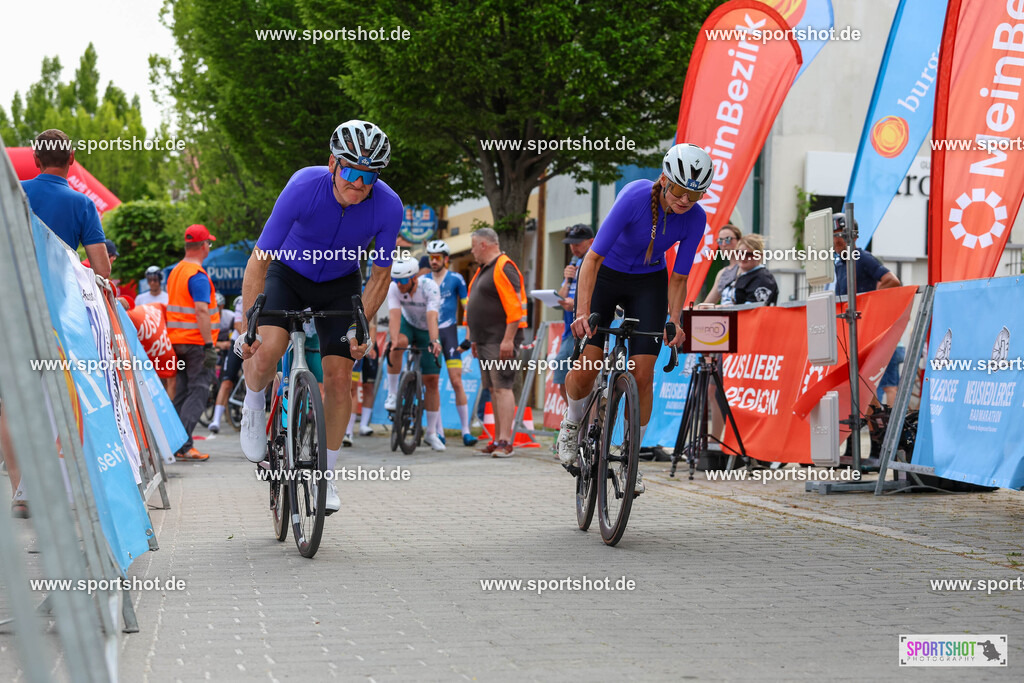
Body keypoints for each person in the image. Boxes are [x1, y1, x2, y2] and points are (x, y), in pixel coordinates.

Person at [235, 120, 401, 516]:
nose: (358, 184)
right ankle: (254, 404)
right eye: (351, 171)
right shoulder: (302, 187)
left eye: (369, 176)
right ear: (332, 164)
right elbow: (259, 260)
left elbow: (380, 276)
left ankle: (326, 473)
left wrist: (364, 325)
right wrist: (249, 323)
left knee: (340, 378)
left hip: (341, 282)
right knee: (268, 347)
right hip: (287, 273)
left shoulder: (389, 205)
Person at [558, 143, 708, 494]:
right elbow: (591, 260)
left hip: (649, 282)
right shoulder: (635, 196)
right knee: (590, 359)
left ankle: (630, 457)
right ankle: (572, 422)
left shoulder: (696, 218)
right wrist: (582, 314)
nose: (686, 200)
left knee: (643, 373)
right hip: (607, 275)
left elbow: (680, 278)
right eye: (680, 191)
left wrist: (675, 320)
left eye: (696, 194)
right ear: (664, 181)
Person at [465, 228, 528, 458]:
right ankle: (497, 438)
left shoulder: (504, 266)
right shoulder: (485, 270)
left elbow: (515, 308)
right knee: (493, 388)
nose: (472, 251)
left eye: (473, 246)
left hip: (500, 339)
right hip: (485, 339)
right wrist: (474, 338)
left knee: (502, 387)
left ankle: (505, 441)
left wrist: (508, 339)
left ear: (484, 245)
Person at [20, 129, 111, 279]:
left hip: (16, 289)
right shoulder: (83, 204)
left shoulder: (15, 192)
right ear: (71, 157)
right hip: (60, 295)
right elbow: (102, 270)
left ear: (36, 159)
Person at [167, 224, 220, 461]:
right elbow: (201, 311)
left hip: (176, 343)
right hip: (196, 344)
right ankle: (184, 445)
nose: (209, 246)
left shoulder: (177, 271)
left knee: (182, 392)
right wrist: (209, 345)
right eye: (209, 242)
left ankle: (172, 441)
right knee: (198, 391)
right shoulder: (197, 276)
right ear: (202, 246)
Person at [384, 257, 446, 451]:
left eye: (403, 281)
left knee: (432, 381)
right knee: (397, 344)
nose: (399, 285)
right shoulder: (394, 288)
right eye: (396, 280)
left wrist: (434, 341)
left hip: (428, 328)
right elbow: (394, 316)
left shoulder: (429, 288)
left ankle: (431, 433)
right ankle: (393, 394)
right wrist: (394, 340)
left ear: (414, 279)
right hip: (408, 324)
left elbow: (432, 317)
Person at [425, 239, 477, 446]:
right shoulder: (424, 280)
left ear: (446, 259)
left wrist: (469, 337)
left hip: (449, 334)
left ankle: (465, 431)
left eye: (437, 258)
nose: (434, 261)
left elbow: (468, 309)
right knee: (433, 383)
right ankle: (438, 432)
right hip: (432, 334)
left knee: (456, 382)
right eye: (431, 258)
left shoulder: (456, 279)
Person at [552, 224, 595, 402]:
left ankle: (586, 422)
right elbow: (560, 300)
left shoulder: (594, 262)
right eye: (570, 243)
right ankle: (571, 417)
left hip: (587, 330)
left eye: (577, 243)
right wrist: (567, 280)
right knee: (562, 377)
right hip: (569, 332)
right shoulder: (574, 264)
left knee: (583, 380)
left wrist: (576, 305)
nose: (573, 247)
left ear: (591, 242)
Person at [832, 213, 901, 296]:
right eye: (833, 236)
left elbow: (891, 280)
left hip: (862, 309)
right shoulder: (840, 264)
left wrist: (871, 303)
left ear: (854, 237)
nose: (836, 240)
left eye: (841, 235)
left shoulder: (863, 258)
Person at [207, 293, 239, 434]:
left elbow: (233, 331)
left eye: (218, 306)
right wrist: (219, 344)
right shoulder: (207, 317)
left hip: (229, 344)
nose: (216, 309)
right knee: (224, 378)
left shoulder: (229, 315)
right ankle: (216, 419)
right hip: (216, 345)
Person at [732, 234, 779, 306]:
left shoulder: (763, 278)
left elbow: (750, 309)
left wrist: (720, 308)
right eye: (739, 253)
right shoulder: (744, 275)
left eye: (748, 254)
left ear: (759, 256)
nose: (742, 257)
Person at [703, 224, 743, 306]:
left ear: (740, 241)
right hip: (725, 316)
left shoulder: (745, 267)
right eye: (720, 240)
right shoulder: (722, 273)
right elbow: (706, 304)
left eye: (728, 239)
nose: (724, 244)